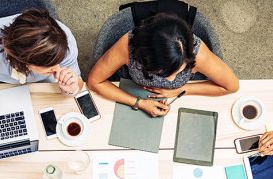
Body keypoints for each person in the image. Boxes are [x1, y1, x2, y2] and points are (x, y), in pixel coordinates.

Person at [87, 13, 239, 117]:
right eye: (166, 72)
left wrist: (181, 90)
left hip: (183, 102)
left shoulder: (197, 53)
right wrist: (139, 103)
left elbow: (232, 86)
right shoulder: (128, 47)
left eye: (179, 69)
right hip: (132, 91)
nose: (172, 80)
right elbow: (94, 81)